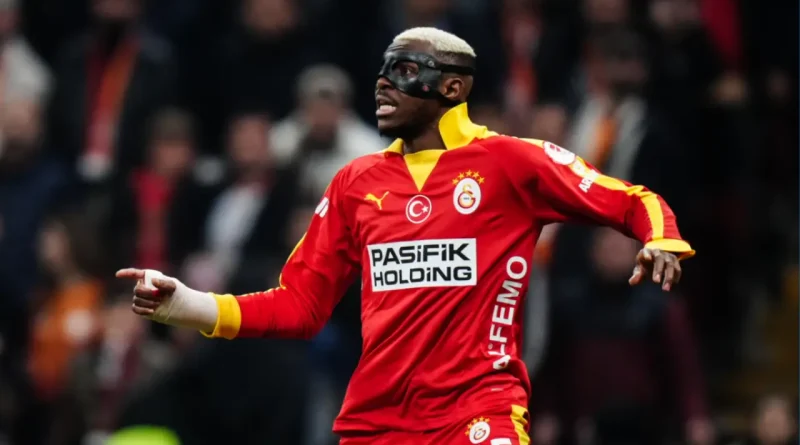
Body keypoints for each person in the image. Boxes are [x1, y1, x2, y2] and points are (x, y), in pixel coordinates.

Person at [116, 27, 695, 445]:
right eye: (383, 71)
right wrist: (188, 305)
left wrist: (661, 238)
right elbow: (300, 305)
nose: (383, 85)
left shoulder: (513, 163)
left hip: (478, 413)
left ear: (453, 87)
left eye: (406, 70)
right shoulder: (355, 183)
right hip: (377, 422)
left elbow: (630, 198)